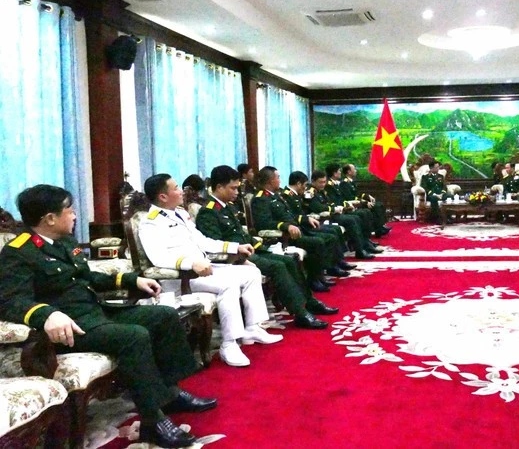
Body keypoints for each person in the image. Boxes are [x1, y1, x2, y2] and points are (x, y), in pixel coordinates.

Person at [0, 185, 216, 448]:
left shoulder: (64, 241)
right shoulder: (18, 252)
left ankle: (170, 393)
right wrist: (46, 314)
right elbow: (11, 301)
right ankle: (153, 420)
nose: (75, 215)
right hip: (70, 328)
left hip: (96, 313)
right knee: (134, 337)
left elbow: (88, 277)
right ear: (50, 218)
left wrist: (131, 279)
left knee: (164, 316)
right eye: (70, 210)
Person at [139, 174, 280, 368]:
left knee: (251, 273)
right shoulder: (150, 222)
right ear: (163, 196)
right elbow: (158, 258)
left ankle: (252, 329)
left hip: (203, 269)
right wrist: (190, 264)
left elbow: (202, 240)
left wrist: (233, 247)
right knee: (228, 285)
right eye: (176, 188)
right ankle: (229, 344)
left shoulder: (179, 213)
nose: (181, 191)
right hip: (182, 279)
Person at [195, 165, 337, 329]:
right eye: (233, 188)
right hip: (235, 259)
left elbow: (242, 234)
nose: (237, 192)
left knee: (289, 261)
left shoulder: (226, 206)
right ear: (219, 187)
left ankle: (309, 301)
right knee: (277, 266)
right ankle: (300, 313)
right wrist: (241, 250)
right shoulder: (209, 212)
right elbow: (215, 243)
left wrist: (257, 244)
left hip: (251, 250)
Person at [251, 167, 339, 293]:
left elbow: (289, 215)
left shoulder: (275, 195)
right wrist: (285, 226)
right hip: (284, 237)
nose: (280, 180)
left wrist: (305, 219)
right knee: (317, 242)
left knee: (325, 237)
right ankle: (313, 280)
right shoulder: (261, 199)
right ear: (270, 181)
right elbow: (263, 223)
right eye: (278, 177)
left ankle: (319, 277)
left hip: (296, 230)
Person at [307, 170, 381, 259]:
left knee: (356, 218)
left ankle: (363, 245)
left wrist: (339, 208)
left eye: (324, 182)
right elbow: (317, 207)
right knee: (351, 220)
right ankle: (359, 250)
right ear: (313, 181)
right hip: (323, 217)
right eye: (320, 182)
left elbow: (329, 202)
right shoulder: (310, 193)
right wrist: (335, 209)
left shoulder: (321, 191)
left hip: (332, 214)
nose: (323, 184)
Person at [326, 163, 378, 240]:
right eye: (339, 171)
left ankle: (367, 241)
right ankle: (363, 243)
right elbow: (337, 201)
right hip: (338, 211)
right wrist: (348, 204)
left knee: (365, 212)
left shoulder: (336, 184)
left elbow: (350, 196)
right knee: (360, 215)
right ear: (334, 173)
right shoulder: (330, 185)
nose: (340, 172)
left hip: (345, 207)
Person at [339, 164, 391, 236]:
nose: (355, 171)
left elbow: (357, 194)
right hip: (354, 204)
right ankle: (378, 229)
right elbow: (350, 197)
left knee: (379, 204)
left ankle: (380, 226)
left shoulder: (351, 182)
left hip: (359, 201)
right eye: (354, 169)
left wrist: (367, 196)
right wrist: (364, 201)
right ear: (349, 172)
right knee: (375, 207)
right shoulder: (344, 183)